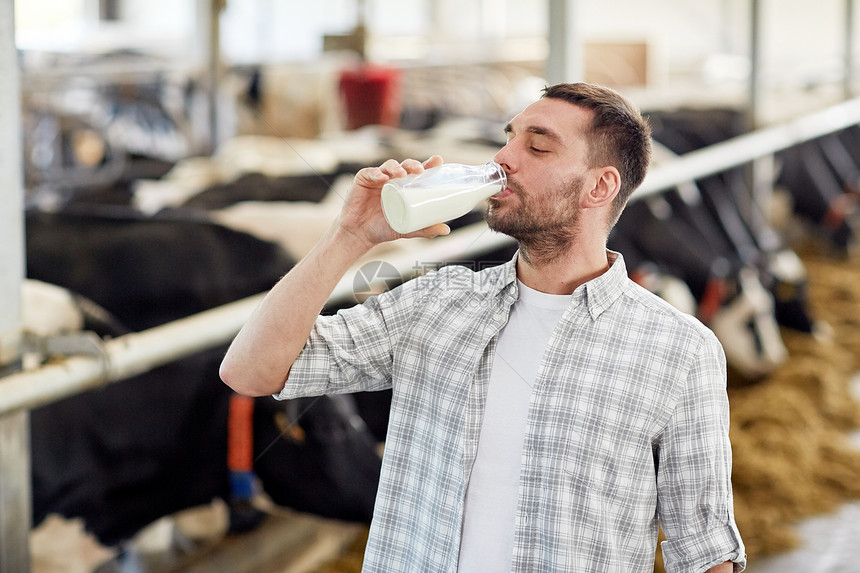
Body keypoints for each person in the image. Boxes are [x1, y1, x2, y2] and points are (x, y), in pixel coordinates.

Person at [220, 82, 746, 573]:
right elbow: (250, 371)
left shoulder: (681, 350)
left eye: (537, 148)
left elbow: (703, 548)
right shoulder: (436, 302)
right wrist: (350, 236)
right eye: (508, 139)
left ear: (599, 186)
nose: (503, 159)